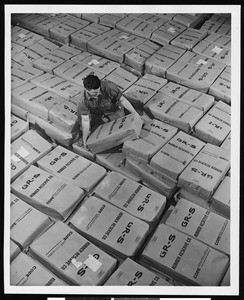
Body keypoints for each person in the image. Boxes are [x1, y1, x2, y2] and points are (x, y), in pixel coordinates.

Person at [77, 74, 141, 149]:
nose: (98, 94)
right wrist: (85, 138)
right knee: (94, 133)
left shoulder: (109, 87)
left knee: (120, 131)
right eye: (94, 93)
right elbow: (85, 120)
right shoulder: (82, 101)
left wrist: (135, 113)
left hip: (114, 110)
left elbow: (123, 100)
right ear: (86, 90)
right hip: (97, 112)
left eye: (98, 91)